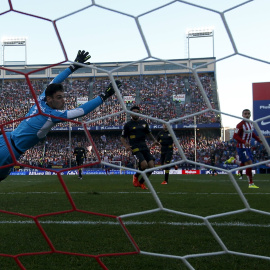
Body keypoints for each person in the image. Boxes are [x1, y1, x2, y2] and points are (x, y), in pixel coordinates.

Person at [0, 50, 122, 181]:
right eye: (59, 97)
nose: (63, 100)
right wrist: (104, 96)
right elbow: (81, 111)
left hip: (5, 138)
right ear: (50, 99)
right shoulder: (51, 115)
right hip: (10, 151)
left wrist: (73, 67)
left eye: (63, 97)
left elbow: (54, 82)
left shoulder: (41, 100)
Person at [120, 105, 159, 190]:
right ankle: (135, 175)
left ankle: (141, 183)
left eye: (137, 112)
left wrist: (154, 141)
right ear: (131, 114)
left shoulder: (144, 123)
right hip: (135, 147)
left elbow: (149, 134)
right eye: (134, 112)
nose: (136, 114)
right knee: (144, 165)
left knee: (152, 167)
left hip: (144, 146)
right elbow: (122, 137)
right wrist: (126, 145)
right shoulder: (128, 125)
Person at [233, 109, 262, 188]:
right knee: (249, 163)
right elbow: (235, 136)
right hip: (242, 148)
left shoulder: (251, 124)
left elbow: (252, 134)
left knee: (246, 164)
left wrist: (259, 140)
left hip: (248, 148)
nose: (247, 115)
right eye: (245, 114)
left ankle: (233, 160)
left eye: (248, 114)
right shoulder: (239, 125)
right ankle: (251, 183)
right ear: (242, 115)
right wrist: (243, 141)